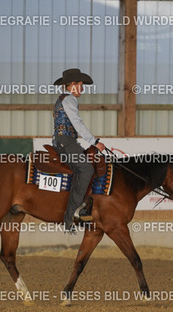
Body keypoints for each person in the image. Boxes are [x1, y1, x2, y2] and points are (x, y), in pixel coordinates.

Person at [52, 68, 106, 234]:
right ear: (72, 85)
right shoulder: (69, 99)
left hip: (66, 141)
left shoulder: (63, 99)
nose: (82, 88)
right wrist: (94, 141)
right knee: (86, 168)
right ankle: (71, 215)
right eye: (80, 85)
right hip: (66, 141)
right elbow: (77, 123)